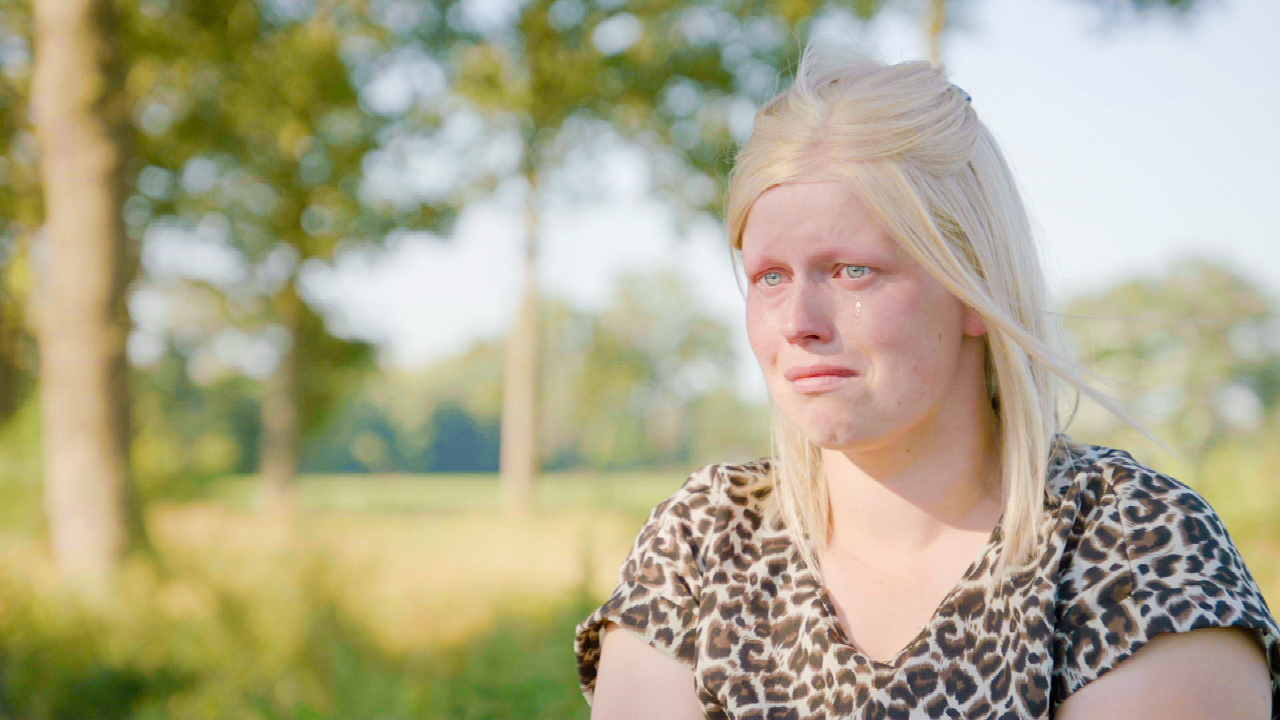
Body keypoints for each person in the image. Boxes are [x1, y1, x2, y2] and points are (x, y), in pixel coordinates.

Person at [573, 41, 1280, 720]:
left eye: (852, 271)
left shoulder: (1131, 548)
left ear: (974, 288)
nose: (798, 323)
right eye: (770, 278)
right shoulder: (704, 543)